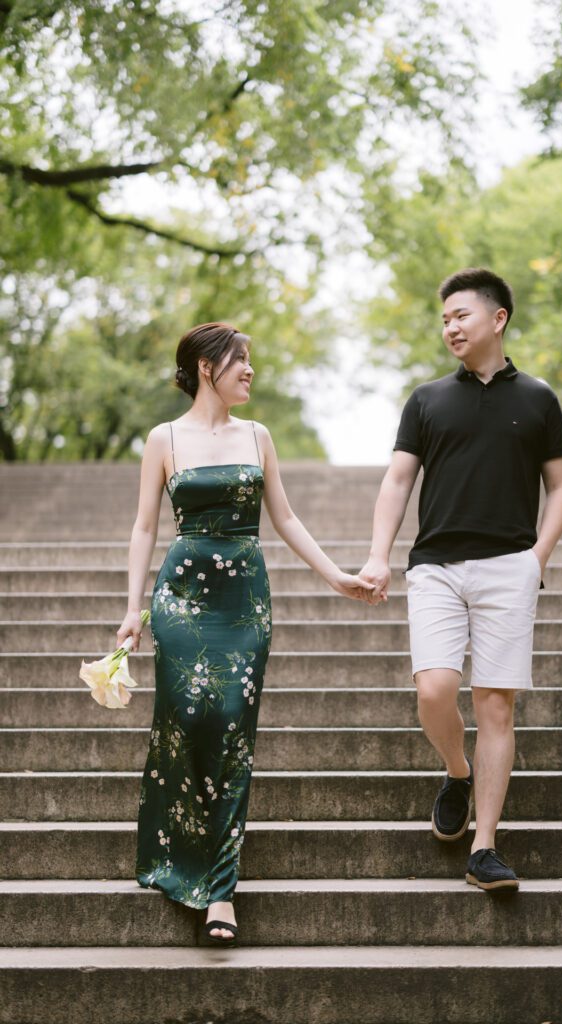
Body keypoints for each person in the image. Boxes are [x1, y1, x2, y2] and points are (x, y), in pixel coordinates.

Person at [116, 321, 372, 943]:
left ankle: (220, 891)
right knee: (190, 720)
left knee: (230, 724)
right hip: (181, 596)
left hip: (243, 600)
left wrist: (336, 575)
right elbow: (146, 527)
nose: (251, 370)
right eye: (241, 361)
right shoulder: (163, 438)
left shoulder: (257, 436)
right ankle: (180, 857)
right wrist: (132, 609)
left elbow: (283, 516)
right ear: (208, 367)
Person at [359, 268, 562, 891]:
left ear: (497, 318)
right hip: (436, 566)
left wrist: (537, 557)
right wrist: (379, 555)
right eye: (445, 319)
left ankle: (484, 846)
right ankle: (457, 770)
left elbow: (560, 490)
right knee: (435, 689)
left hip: (511, 565)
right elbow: (398, 480)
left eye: (461, 316)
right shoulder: (427, 399)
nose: (450, 327)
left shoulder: (538, 398)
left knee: (495, 706)